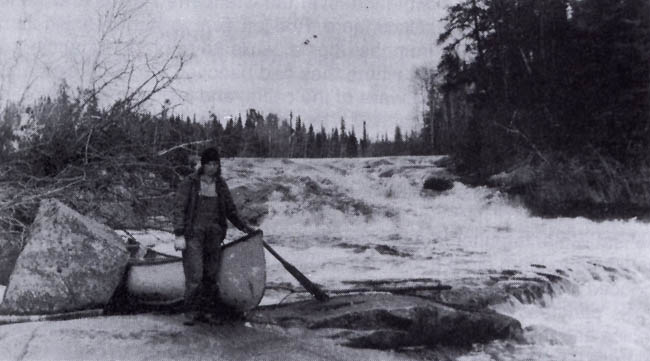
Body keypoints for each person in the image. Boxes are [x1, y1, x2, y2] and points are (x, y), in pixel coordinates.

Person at [172, 147, 256, 325]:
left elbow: (231, 210)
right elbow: (179, 208)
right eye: (209, 164)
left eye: (215, 164)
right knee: (195, 275)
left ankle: (208, 311)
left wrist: (245, 228)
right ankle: (191, 312)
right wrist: (179, 233)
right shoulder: (190, 182)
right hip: (193, 234)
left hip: (214, 234)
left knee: (211, 275)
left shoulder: (221, 184)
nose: (212, 167)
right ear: (203, 164)